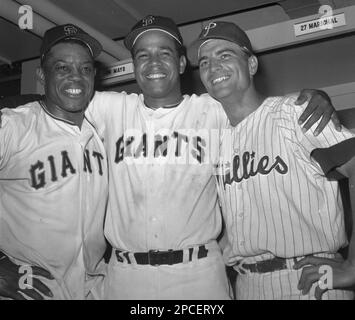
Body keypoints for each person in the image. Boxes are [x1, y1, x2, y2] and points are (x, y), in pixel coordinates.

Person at [86, 15, 339, 300]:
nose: (153, 62)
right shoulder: (109, 108)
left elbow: (255, 104)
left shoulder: (213, 110)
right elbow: (57, 99)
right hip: (126, 277)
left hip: (198, 276)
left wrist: (315, 98)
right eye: (143, 55)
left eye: (164, 53)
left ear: (182, 64)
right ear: (134, 66)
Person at [187, 20, 355, 300]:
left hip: (308, 280)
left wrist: (353, 265)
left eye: (224, 55)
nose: (212, 67)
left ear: (252, 65)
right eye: (204, 62)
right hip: (248, 285)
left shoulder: (294, 114)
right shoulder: (214, 139)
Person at [0, 24, 108, 300]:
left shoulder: (104, 132)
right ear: (41, 75)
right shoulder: (14, 126)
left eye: (85, 69)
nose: (77, 78)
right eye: (62, 68)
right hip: (30, 292)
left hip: (94, 288)